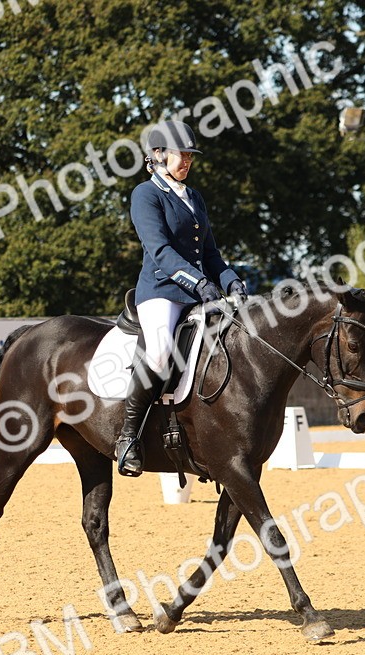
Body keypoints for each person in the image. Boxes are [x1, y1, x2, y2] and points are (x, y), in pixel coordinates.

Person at [115, 119, 247, 477]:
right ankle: (128, 438)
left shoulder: (194, 197)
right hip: (161, 292)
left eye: (190, 156)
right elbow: (159, 250)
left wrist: (231, 281)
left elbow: (211, 253)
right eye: (180, 155)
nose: (186, 161)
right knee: (158, 354)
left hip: (198, 292)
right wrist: (199, 282)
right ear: (158, 155)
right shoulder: (146, 194)